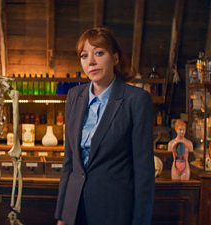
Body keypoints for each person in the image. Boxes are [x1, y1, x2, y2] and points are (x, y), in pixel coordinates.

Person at [55, 27, 155, 225]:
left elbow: (144, 172)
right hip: (75, 211)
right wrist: (62, 215)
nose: (91, 61)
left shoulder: (136, 100)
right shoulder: (74, 97)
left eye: (99, 53)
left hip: (115, 212)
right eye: (84, 56)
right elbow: (69, 163)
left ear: (115, 58)